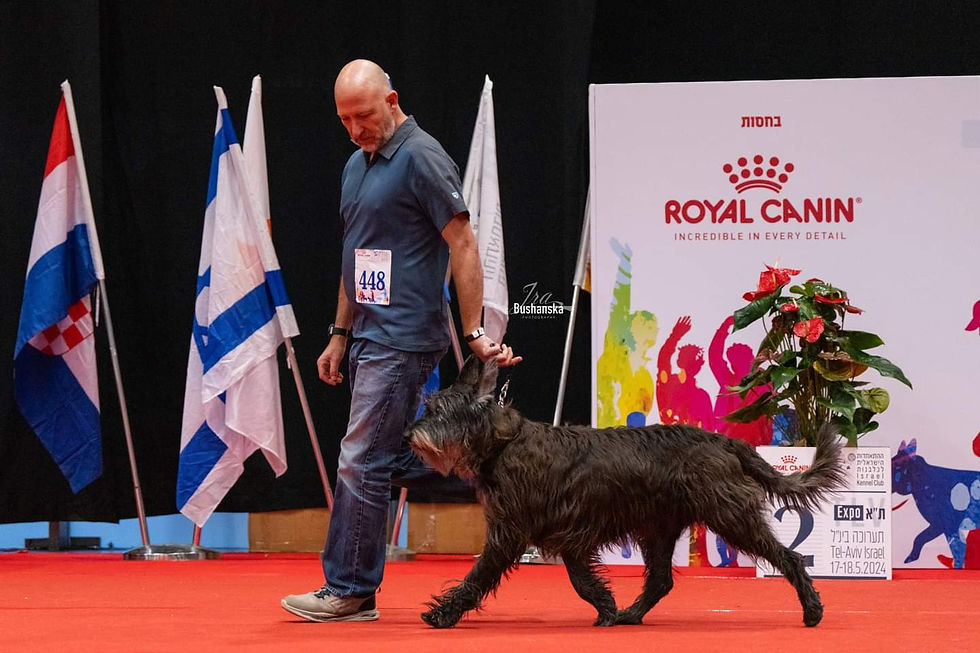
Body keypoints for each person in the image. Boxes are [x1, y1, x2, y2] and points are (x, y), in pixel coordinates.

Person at [281, 59, 521, 623]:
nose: (354, 129)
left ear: (392, 100)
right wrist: (339, 333)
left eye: (362, 115)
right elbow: (355, 256)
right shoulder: (354, 165)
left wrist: (474, 332)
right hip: (366, 333)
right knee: (392, 455)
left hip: (405, 336)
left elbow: (462, 242)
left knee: (359, 458)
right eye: (344, 120)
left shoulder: (421, 156)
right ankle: (501, 462)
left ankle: (350, 590)